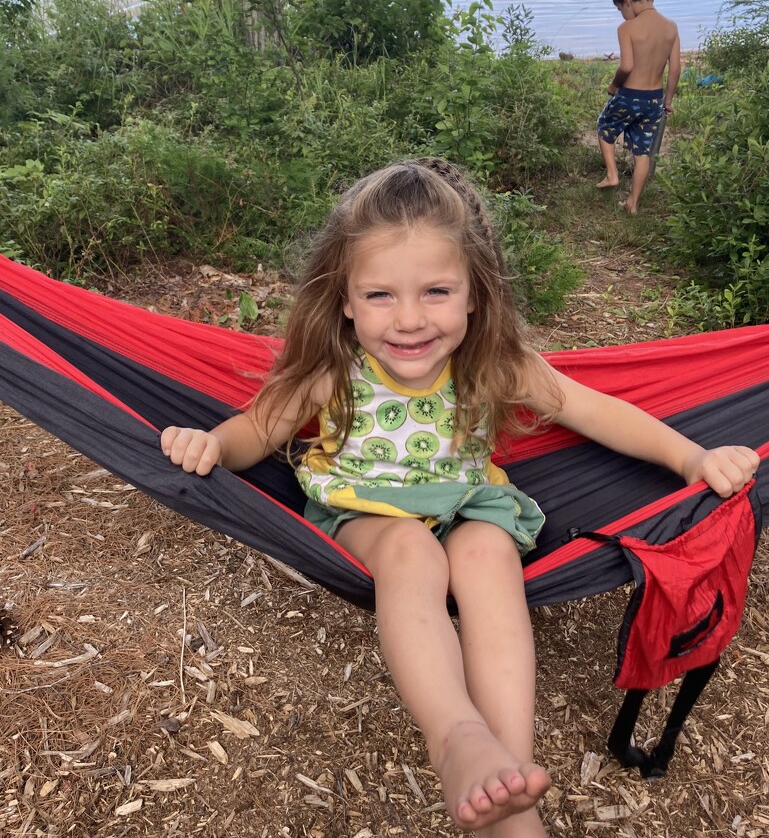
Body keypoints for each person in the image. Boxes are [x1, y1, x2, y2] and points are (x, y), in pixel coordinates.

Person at [160, 159, 757, 837]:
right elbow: (255, 431)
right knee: (411, 553)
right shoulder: (335, 370)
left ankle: (508, 784)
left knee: (488, 554)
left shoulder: (493, 364)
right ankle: (455, 742)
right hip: (366, 512)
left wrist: (691, 455)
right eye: (379, 295)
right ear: (345, 300)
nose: (409, 319)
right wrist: (210, 443)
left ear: (476, 293)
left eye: (436, 290)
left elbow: (596, 411)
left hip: (468, 505)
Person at [596, 0, 681, 214]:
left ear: (627, 0)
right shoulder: (671, 28)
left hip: (629, 94)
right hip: (654, 99)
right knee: (642, 151)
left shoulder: (628, 29)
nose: (623, 16)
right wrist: (668, 100)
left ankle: (612, 175)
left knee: (605, 127)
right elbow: (675, 68)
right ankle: (633, 202)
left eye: (620, 10)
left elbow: (627, 66)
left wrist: (614, 86)